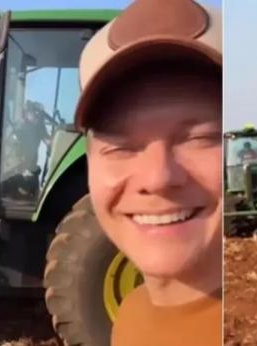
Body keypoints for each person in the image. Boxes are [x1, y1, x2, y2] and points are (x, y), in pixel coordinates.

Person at [73, 0, 222, 345]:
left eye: (199, 138)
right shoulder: (133, 314)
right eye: (121, 146)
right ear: (91, 161)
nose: (157, 178)